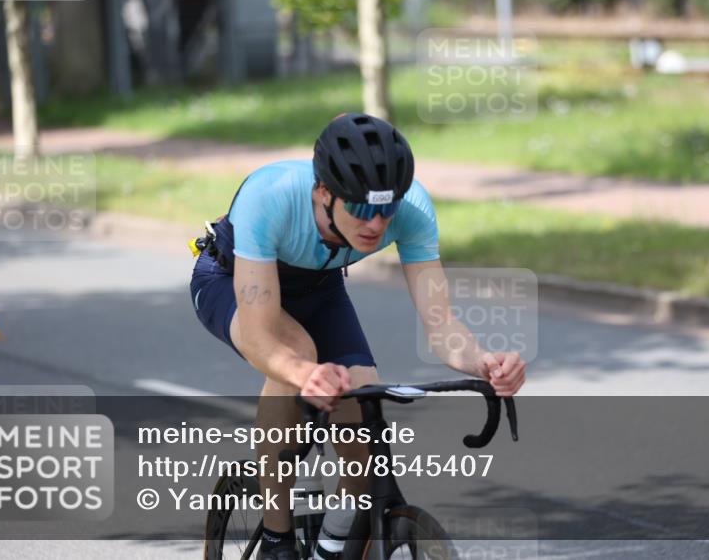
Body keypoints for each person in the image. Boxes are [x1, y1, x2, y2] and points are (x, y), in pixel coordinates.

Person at [189, 113, 526, 560]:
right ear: (324, 192)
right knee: (297, 356)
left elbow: (442, 325)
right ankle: (276, 539)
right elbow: (259, 333)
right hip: (230, 281)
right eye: (363, 210)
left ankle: (332, 546)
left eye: (387, 210)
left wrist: (482, 361)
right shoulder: (268, 197)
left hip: (320, 289)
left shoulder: (413, 211)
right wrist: (304, 372)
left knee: (361, 396)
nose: (376, 224)